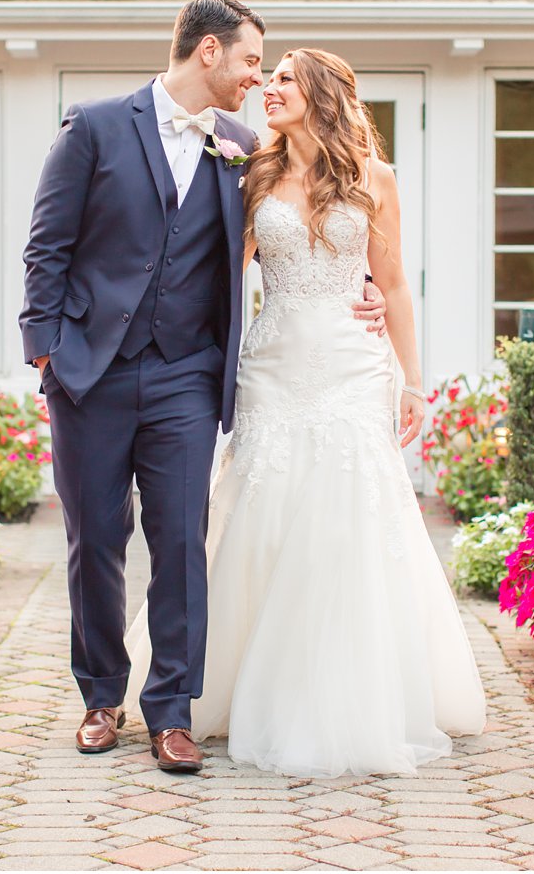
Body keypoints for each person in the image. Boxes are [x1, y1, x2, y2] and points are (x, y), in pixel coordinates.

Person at [19, 0, 388, 774]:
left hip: (189, 374)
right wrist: (46, 351)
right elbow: (46, 247)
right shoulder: (93, 126)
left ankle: (171, 712)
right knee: (95, 540)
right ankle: (99, 697)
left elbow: (300, 229)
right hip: (90, 371)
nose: (259, 78)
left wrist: (367, 289)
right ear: (211, 52)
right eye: (253, 61)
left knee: (184, 540)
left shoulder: (246, 149)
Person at [122, 49, 486, 777]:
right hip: (274, 365)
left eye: (282, 78)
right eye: (268, 77)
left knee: (348, 513)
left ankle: (350, 693)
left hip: (353, 364)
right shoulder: (251, 171)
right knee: (263, 510)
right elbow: (219, 271)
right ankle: (230, 681)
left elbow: (395, 285)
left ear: (320, 92)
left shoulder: (373, 178)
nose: (266, 89)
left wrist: (414, 381)